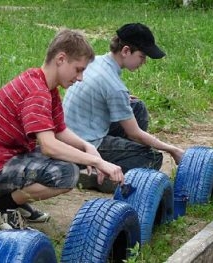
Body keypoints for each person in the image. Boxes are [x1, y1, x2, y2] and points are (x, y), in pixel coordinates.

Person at [0, 28, 124, 230]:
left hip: (6, 156)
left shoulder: (45, 85)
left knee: (69, 158)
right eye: (78, 69)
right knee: (67, 173)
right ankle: (3, 206)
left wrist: (86, 147)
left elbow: (59, 131)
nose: (80, 77)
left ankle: (17, 201)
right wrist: (97, 161)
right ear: (61, 59)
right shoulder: (37, 92)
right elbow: (49, 146)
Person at [63, 23, 184, 192]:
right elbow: (136, 133)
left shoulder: (95, 61)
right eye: (142, 56)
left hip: (71, 130)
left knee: (137, 107)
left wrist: (122, 99)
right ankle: (101, 175)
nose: (144, 62)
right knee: (151, 157)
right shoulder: (114, 86)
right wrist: (172, 149)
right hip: (85, 142)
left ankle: (114, 162)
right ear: (126, 51)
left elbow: (98, 92)